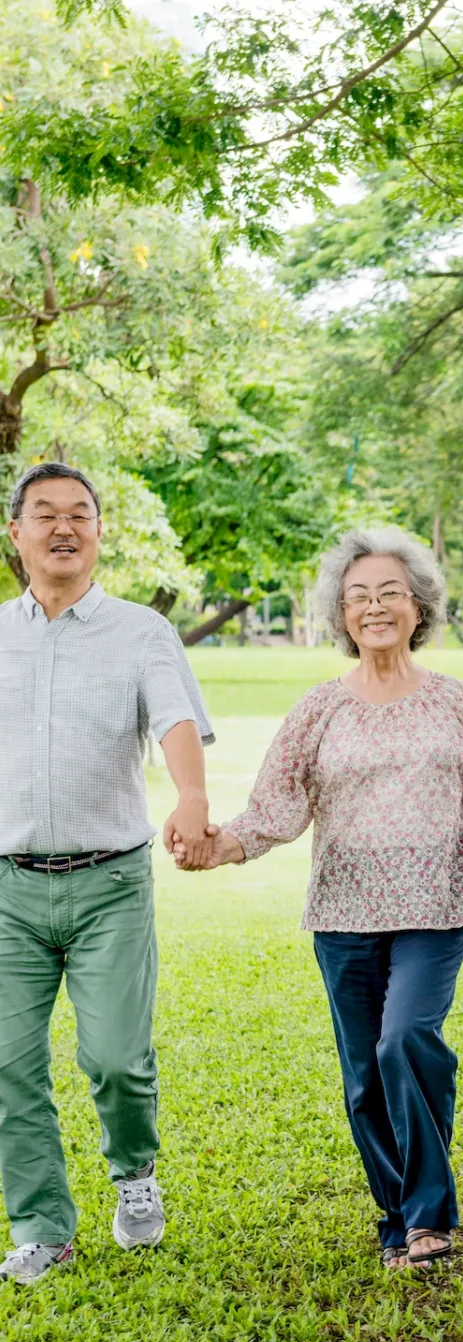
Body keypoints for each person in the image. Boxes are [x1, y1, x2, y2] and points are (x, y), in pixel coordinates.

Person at [174, 529, 463, 1272]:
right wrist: (217, 845)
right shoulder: (319, 709)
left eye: (390, 593)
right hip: (342, 913)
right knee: (363, 1074)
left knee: (406, 1042)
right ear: (340, 615)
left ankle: (427, 1214)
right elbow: (276, 806)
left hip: (436, 908)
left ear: (419, 607)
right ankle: (400, 1217)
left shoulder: (455, 702)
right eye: (359, 596)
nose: (375, 607)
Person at [0, 461, 215, 1286]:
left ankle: (134, 1176)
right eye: (44, 514)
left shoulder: (139, 632)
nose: (63, 527)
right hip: (10, 887)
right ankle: (42, 1227)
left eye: (79, 514)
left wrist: (192, 797)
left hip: (110, 885)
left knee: (118, 1057)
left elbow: (175, 720)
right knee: (11, 1065)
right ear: (16, 533)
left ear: (98, 533)